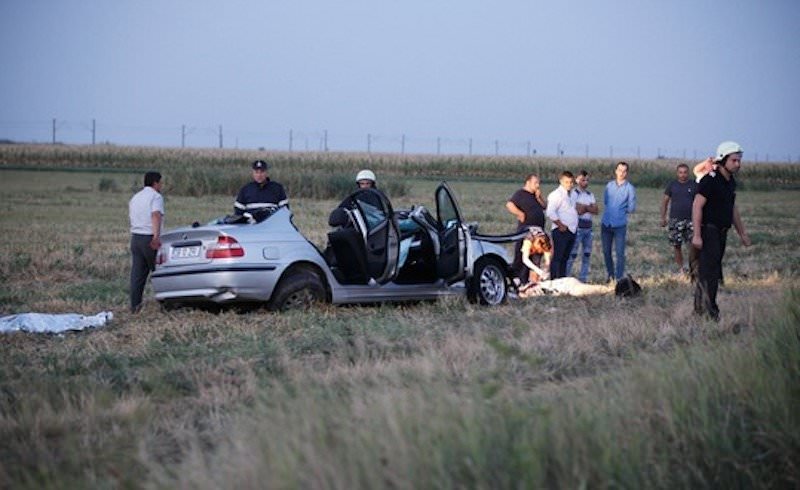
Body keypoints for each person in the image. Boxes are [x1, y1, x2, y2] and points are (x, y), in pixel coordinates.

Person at [692, 141, 751, 321]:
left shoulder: (730, 182)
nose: (738, 164)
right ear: (723, 159)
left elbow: (732, 208)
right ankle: (709, 311)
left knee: (713, 271)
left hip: (722, 232)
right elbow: (697, 205)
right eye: (734, 160)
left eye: (739, 160)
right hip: (708, 230)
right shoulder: (710, 180)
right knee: (708, 272)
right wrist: (696, 234)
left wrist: (742, 233)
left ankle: (703, 309)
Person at [129, 171, 164, 313]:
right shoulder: (156, 197)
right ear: (155, 183)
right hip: (148, 237)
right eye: (161, 182)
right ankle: (165, 302)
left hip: (135, 237)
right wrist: (156, 237)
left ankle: (135, 306)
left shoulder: (135, 197)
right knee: (160, 271)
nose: (162, 185)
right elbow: (155, 215)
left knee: (137, 274)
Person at [506, 174, 547, 281]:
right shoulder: (520, 194)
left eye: (538, 183)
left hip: (538, 233)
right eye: (535, 183)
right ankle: (518, 279)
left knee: (536, 257)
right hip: (526, 231)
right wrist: (520, 214)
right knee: (522, 257)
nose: (537, 185)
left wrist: (539, 197)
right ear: (528, 182)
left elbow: (544, 206)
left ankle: (532, 281)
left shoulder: (535, 195)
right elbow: (510, 205)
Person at [601, 161, 637, 282]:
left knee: (620, 253)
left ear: (627, 173)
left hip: (619, 225)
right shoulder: (609, 186)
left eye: (624, 171)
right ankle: (610, 275)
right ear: (616, 171)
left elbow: (631, 208)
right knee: (606, 252)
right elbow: (606, 201)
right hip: (606, 223)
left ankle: (619, 277)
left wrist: (620, 211)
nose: (621, 173)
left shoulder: (630, 189)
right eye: (619, 170)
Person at [661, 163, 698, 274]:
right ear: (677, 173)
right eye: (680, 172)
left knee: (693, 245)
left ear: (688, 173)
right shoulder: (672, 185)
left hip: (691, 220)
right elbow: (665, 202)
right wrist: (663, 217)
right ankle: (681, 269)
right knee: (676, 245)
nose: (683, 175)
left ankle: (693, 268)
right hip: (675, 220)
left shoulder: (694, 185)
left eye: (685, 172)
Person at [566, 170, 598, 282]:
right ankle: (566, 276)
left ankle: (583, 278)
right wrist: (588, 207)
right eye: (583, 180)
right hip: (578, 227)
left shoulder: (590, 194)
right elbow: (577, 210)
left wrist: (584, 207)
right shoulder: (574, 194)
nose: (585, 182)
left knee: (587, 254)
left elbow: (596, 210)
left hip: (588, 228)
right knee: (572, 254)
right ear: (577, 180)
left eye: (587, 180)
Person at [545, 171, 578, 279]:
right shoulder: (556, 195)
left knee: (565, 258)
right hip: (561, 230)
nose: (569, 184)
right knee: (558, 258)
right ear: (561, 181)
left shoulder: (573, 194)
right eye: (567, 182)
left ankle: (562, 279)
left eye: (571, 182)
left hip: (572, 230)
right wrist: (560, 225)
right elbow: (550, 212)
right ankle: (554, 280)